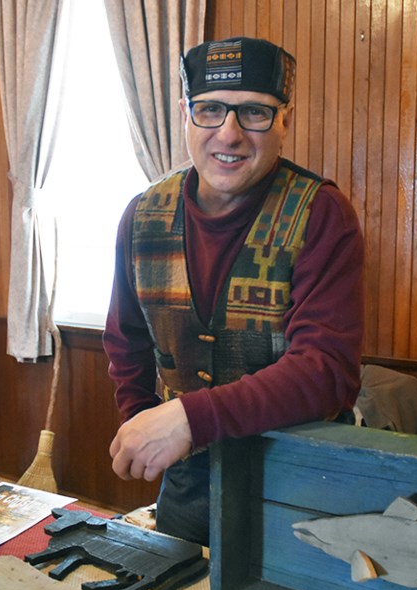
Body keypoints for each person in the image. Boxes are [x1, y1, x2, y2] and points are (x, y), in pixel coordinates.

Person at [103, 36, 365, 546]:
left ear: (285, 119)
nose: (230, 133)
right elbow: (125, 338)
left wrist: (185, 418)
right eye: (210, 110)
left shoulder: (321, 214)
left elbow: (326, 370)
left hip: (302, 486)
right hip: (187, 487)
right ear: (185, 114)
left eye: (255, 113)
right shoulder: (141, 215)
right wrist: (143, 421)